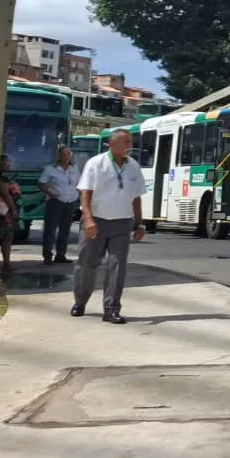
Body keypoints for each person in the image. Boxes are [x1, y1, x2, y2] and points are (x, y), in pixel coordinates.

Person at [73, 130, 147, 324]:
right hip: (96, 221)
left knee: (117, 266)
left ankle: (111, 309)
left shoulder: (133, 166)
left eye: (130, 142)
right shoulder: (96, 164)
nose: (130, 145)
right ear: (113, 145)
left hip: (122, 223)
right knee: (87, 264)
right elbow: (85, 194)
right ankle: (80, 301)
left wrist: (139, 223)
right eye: (126, 142)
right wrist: (88, 220)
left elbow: (136, 198)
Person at [39, 145, 81, 265]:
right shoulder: (51, 169)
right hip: (56, 201)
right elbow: (41, 184)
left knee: (65, 229)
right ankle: (47, 256)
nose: (66, 157)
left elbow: (79, 183)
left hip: (70, 201)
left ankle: (61, 255)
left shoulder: (75, 168)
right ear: (59, 155)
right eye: (64, 154)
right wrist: (50, 193)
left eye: (68, 154)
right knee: (50, 229)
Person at [0, 154, 17, 275]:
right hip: (2, 211)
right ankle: (6, 264)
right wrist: (13, 208)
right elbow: (5, 194)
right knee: (5, 238)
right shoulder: (2, 178)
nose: (8, 165)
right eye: (6, 162)